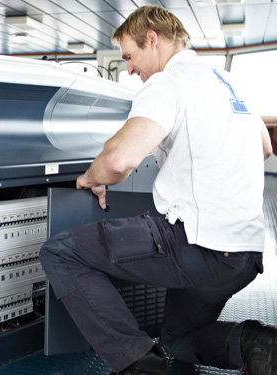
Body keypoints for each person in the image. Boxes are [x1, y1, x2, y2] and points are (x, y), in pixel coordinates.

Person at [40, 5, 276, 375]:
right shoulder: (226, 81)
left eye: (130, 57)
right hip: (244, 255)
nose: (130, 69)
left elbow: (119, 160)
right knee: (180, 340)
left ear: (152, 39)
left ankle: (136, 363)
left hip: (197, 245)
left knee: (62, 253)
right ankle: (258, 343)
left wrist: (94, 176)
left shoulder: (168, 82)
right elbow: (263, 147)